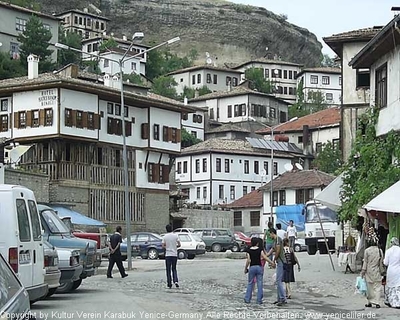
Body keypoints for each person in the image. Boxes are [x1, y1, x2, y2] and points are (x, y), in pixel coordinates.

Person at [244, 237, 275, 304]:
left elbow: (248, 260)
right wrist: (271, 262)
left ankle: (247, 299)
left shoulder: (248, 250)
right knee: (260, 284)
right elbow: (264, 257)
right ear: (257, 243)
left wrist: (246, 268)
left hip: (252, 267)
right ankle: (259, 300)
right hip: (259, 267)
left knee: (250, 283)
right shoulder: (260, 249)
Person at [361, 239, 383, 308]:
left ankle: (370, 301)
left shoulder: (367, 251)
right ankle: (377, 302)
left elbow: (365, 262)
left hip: (369, 270)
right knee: (377, 286)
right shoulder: (380, 251)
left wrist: (363, 271)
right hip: (377, 270)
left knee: (369, 287)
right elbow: (381, 262)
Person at [270, 228, 287, 306]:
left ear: (272, 233)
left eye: (270, 234)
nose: (270, 236)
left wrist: (273, 260)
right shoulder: (275, 241)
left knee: (278, 280)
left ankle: (283, 298)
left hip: (280, 261)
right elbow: (272, 250)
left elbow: (277, 251)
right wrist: (265, 255)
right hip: (279, 261)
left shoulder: (277, 240)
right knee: (278, 280)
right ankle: (279, 298)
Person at [162, 224, 181, 289]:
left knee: (168, 269)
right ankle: (175, 281)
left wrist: (167, 247)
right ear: (172, 229)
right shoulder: (175, 236)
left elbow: (163, 245)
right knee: (174, 268)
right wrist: (175, 247)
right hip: (174, 254)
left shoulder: (165, 237)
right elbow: (179, 244)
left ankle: (169, 283)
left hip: (168, 254)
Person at [383, 237, 400, 308]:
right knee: (397, 287)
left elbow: (385, 263)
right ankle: (398, 302)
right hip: (398, 270)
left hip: (391, 270)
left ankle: (390, 301)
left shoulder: (388, 251)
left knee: (390, 286)